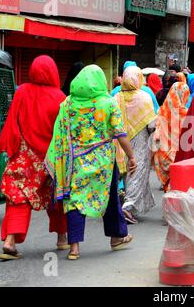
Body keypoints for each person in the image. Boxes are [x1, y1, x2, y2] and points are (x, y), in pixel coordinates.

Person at [45, 65, 137, 260]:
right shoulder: (108, 103)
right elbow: (120, 134)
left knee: (75, 201)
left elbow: (61, 133)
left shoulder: (68, 104)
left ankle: (74, 248)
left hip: (75, 162)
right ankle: (116, 237)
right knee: (110, 197)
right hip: (103, 162)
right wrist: (131, 156)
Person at [0, 55, 68, 260]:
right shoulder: (60, 97)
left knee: (18, 197)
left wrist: (10, 147)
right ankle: (62, 238)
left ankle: (10, 241)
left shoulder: (22, 91)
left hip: (24, 156)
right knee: (57, 197)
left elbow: (12, 122)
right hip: (50, 158)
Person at [114, 66, 157, 224]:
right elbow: (152, 124)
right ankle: (128, 206)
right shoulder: (144, 97)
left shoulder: (116, 97)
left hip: (119, 140)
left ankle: (123, 203)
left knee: (125, 171)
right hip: (140, 140)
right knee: (136, 172)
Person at [153, 82, 191, 192]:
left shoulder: (161, 111)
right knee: (180, 186)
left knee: (169, 184)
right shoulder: (187, 114)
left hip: (164, 155)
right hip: (180, 155)